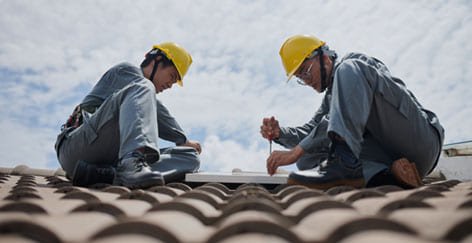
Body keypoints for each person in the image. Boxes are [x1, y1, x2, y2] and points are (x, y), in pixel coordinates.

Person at [260, 35, 444, 189]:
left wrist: (295, 151)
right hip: (391, 157)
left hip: (420, 142)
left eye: (305, 72)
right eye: (300, 78)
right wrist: (280, 134)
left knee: (348, 69)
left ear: (324, 58)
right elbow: (313, 132)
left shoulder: (353, 66)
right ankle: (390, 178)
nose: (306, 81)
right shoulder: (330, 98)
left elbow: (329, 120)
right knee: (308, 157)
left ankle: (344, 162)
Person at [55, 42, 201, 189]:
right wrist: (182, 139)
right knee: (144, 87)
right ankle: (132, 164)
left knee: (190, 156)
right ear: (156, 61)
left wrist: (185, 146)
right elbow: (158, 111)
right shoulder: (126, 71)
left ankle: (110, 175)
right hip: (76, 148)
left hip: (105, 160)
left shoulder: (142, 90)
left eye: (175, 82)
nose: (170, 85)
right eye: (172, 76)